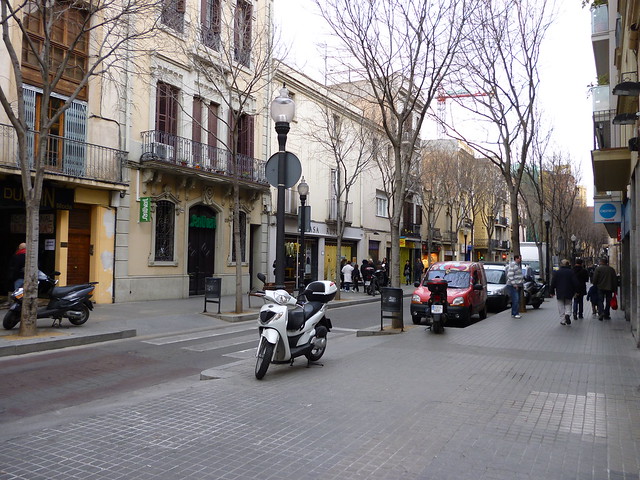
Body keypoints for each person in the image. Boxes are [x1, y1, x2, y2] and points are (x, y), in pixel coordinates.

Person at [550, 259, 579, 326]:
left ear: (561, 264)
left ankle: (563, 320)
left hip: (559, 291)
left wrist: (551, 291)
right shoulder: (571, 272)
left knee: (560, 305)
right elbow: (575, 282)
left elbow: (553, 282)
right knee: (568, 304)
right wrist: (576, 291)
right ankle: (568, 314)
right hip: (569, 291)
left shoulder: (557, 272)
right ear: (568, 264)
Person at [505, 254, 524, 318]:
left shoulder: (517, 265)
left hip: (517, 285)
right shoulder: (513, 265)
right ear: (516, 259)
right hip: (513, 285)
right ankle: (515, 313)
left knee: (515, 299)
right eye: (519, 258)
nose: (520, 259)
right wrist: (514, 284)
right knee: (516, 299)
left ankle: (514, 313)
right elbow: (510, 275)